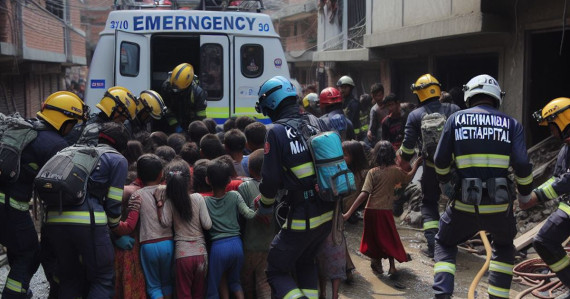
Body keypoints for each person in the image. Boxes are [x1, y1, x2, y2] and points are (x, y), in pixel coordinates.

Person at [432, 75, 534, 299]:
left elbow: (439, 161)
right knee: (504, 247)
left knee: (444, 241)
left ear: (469, 96)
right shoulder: (512, 124)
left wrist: (445, 184)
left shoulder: (455, 120)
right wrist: (525, 195)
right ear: (497, 98)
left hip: (463, 205)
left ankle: (442, 294)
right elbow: (523, 164)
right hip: (499, 207)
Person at [0, 91, 86, 299]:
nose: (73, 128)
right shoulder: (55, 144)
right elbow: (59, 185)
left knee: (18, 247)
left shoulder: (28, 128)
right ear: (64, 119)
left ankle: (22, 290)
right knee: (30, 253)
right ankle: (14, 294)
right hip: (13, 207)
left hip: (5, 204)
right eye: (72, 122)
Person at [255, 75, 333, 299]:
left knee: (276, 270)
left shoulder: (277, 132)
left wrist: (265, 206)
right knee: (306, 262)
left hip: (302, 216)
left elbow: (269, 181)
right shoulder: (316, 121)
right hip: (327, 212)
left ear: (270, 103)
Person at [43, 122, 129, 298]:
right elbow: (113, 204)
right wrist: (116, 230)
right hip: (88, 222)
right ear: (121, 144)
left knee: (69, 278)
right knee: (102, 278)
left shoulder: (70, 151)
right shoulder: (117, 159)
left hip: (53, 219)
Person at [398, 74, 460, 258]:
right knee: (458, 202)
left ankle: (433, 245)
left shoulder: (415, 115)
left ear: (419, 94)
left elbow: (408, 148)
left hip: (431, 168)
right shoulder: (454, 109)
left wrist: (402, 159)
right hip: (455, 167)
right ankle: (453, 239)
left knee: (429, 203)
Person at [343, 141, 421, 279]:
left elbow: (364, 193)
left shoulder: (373, 172)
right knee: (390, 237)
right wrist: (417, 164)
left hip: (370, 211)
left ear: (375, 155)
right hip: (384, 211)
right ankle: (391, 266)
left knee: (374, 240)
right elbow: (408, 178)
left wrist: (349, 213)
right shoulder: (396, 171)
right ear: (392, 154)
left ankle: (378, 263)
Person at [522, 97, 570, 288]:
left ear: (564, 120)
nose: (550, 131)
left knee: (544, 240)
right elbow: (558, 177)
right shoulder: (566, 147)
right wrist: (532, 193)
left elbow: (567, 180)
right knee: (544, 241)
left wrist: (537, 197)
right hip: (567, 208)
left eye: (552, 125)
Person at [204, 159, 259, 299]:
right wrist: (257, 206)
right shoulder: (234, 196)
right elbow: (250, 215)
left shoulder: (205, 202)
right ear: (229, 180)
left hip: (218, 248)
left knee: (212, 289)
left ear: (207, 180)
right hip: (236, 245)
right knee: (235, 283)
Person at [112, 154, 163, 299]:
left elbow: (128, 226)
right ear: (161, 174)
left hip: (134, 245)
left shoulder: (134, 193)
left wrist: (112, 229)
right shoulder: (157, 192)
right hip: (141, 245)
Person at [165, 159, 212, 299]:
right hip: (200, 254)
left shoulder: (169, 202)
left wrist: (161, 203)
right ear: (189, 179)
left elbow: (166, 222)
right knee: (199, 292)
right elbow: (207, 225)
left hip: (182, 255)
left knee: (183, 293)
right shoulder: (198, 198)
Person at [237, 149, 275, 299]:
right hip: (269, 244)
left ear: (250, 170)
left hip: (250, 245)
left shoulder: (244, 187)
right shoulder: (276, 188)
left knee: (246, 281)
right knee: (263, 281)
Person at [136, 156, 174, 299]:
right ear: (161, 174)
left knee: (154, 287)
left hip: (148, 244)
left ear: (139, 175)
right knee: (167, 283)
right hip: (168, 242)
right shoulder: (167, 191)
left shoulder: (137, 195)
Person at [66, 86, 137, 145]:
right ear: (116, 109)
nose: (123, 120)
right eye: (123, 116)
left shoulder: (85, 124)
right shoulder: (102, 133)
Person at [160, 63, 208, 134]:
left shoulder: (197, 93)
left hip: (190, 122)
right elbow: (167, 110)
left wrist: (192, 130)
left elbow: (200, 117)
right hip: (172, 124)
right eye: (173, 87)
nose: (174, 90)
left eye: (178, 89)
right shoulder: (166, 87)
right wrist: (176, 127)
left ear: (187, 85)